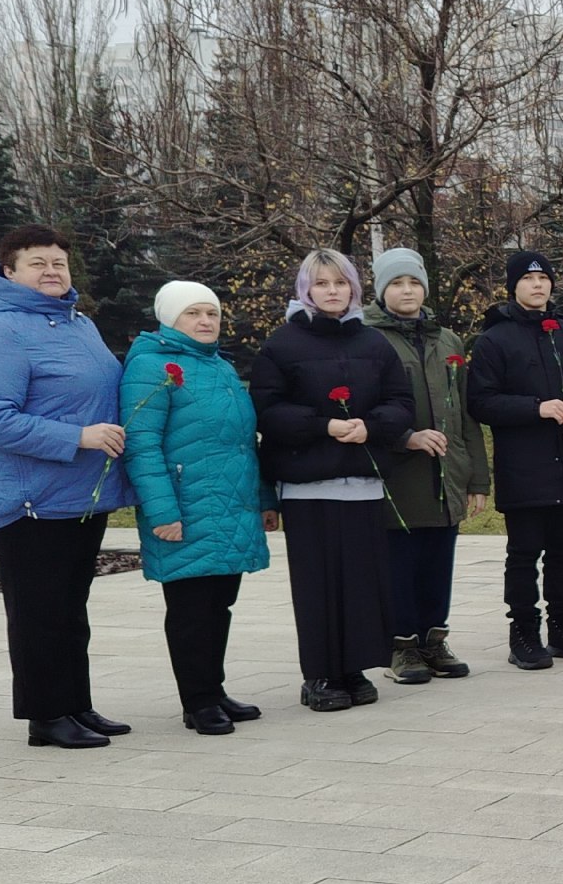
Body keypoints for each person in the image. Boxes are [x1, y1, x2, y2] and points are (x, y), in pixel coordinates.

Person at [0, 224, 136, 748]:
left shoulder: (77, 324)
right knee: (39, 611)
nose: (52, 271)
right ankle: (45, 716)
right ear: (9, 271)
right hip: (28, 498)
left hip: (78, 495)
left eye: (59, 262)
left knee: (67, 608)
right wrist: (77, 436)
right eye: (38, 263)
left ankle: (73, 703)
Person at [251, 249, 414, 711]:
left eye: (340, 283)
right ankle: (320, 675)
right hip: (309, 486)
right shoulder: (282, 344)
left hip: (362, 482)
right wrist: (323, 425)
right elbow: (268, 408)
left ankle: (355, 668)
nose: (332, 292)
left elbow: (401, 401)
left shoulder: (374, 343)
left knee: (363, 582)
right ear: (307, 289)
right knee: (319, 585)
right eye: (322, 284)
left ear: (354, 289)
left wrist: (372, 424)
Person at [121, 282, 273, 735]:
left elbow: (247, 443)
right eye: (194, 313)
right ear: (169, 318)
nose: (206, 322)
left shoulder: (220, 367)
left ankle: (214, 688)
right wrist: (162, 511)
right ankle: (197, 700)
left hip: (230, 504)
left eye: (212, 313)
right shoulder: (151, 367)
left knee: (218, 604)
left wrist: (264, 500)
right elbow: (141, 444)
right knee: (190, 607)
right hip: (184, 508)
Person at [467, 248, 563, 670]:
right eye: (528, 280)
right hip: (523, 465)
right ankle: (524, 632)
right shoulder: (494, 339)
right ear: (514, 286)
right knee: (524, 553)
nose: (538, 285)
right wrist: (536, 408)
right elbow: (482, 402)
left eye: (544, 278)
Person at [364, 248, 488, 684]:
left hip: (446, 471)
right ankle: (401, 647)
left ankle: (434, 639)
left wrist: (477, 477)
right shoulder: (367, 337)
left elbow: (464, 413)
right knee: (400, 562)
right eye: (397, 283)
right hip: (397, 472)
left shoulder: (447, 339)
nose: (407, 291)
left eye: (414, 282)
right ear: (381, 289)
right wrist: (403, 439)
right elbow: (364, 407)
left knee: (438, 560)